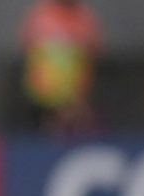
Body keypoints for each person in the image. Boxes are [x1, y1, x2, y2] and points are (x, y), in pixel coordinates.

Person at [19, 0, 101, 136]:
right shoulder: (41, 15)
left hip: (76, 98)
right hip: (43, 98)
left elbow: (91, 56)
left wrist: (77, 99)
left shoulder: (85, 18)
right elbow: (29, 50)